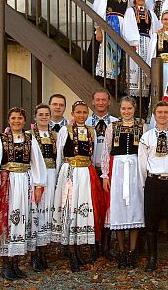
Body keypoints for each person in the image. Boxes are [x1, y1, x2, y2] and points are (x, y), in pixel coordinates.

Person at [0, 107, 46, 281]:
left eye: (19, 118)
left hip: (25, 182)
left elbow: (37, 163)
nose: (16, 121)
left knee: (21, 221)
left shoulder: (30, 139)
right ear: (9, 120)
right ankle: (6, 265)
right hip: (6, 184)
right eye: (13, 118)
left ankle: (15, 262)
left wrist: (38, 185)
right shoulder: (0, 139)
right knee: (6, 220)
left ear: (24, 121)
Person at [51, 101, 105, 272]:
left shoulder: (91, 131)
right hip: (70, 172)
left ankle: (80, 249)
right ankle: (72, 252)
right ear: (73, 113)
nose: (81, 115)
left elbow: (94, 154)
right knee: (70, 208)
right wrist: (60, 176)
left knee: (83, 209)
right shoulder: (64, 130)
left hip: (86, 173)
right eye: (78, 112)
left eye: (84, 112)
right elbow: (60, 155)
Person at [101, 97, 145, 269]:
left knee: (135, 207)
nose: (126, 112)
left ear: (134, 109)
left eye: (130, 109)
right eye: (124, 109)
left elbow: (145, 152)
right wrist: (105, 175)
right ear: (120, 110)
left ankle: (132, 252)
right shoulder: (112, 127)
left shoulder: (142, 127)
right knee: (118, 209)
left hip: (135, 169)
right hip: (118, 169)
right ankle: (121, 251)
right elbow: (105, 151)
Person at [138, 101, 168, 273]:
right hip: (153, 182)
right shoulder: (146, 137)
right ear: (154, 115)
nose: (163, 115)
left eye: (166, 112)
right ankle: (152, 258)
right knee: (151, 222)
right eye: (159, 112)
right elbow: (142, 163)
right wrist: (145, 183)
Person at [85, 89, 117, 260]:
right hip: (90, 169)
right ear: (92, 102)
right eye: (97, 100)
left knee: (106, 207)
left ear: (109, 102)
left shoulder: (115, 123)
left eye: (104, 100)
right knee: (92, 208)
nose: (101, 103)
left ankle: (106, 246)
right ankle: (93, 246)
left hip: (107, 171)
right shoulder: (86, 122)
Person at [30, 104, 58, 272]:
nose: (43, 117)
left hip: (52, 173)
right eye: (40, 114)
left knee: (48, 212)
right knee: (36, 211)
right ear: (35, 117)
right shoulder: (29, 135)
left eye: (46, 114)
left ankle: (43, 252)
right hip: (36, 176)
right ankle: (34, 254)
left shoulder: (54, 134)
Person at [123, 0, 160, 112]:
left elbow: (155, 29)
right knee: (135, 70)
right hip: (136, 43)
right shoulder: (130, 11)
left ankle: (144, 104)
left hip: (148, 43)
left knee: (146, 71)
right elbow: (127, 27)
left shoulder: (150, 13)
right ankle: (134, 102)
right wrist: (133, 41)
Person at [91, 0, 129, 92]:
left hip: (121, 27)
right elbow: (99, 10)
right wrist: (99, 30)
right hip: (109, 24)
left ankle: (114, 80)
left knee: (118, 54)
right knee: (107, 53)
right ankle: (105, 80)